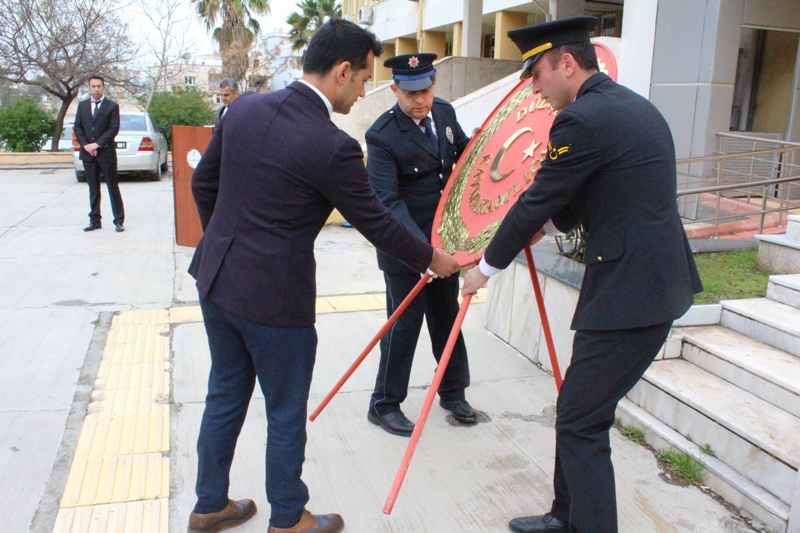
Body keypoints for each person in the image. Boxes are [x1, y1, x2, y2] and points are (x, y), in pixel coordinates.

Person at [187, 19, 461, 533]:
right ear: (341, 71)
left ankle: (209, 504)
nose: (363, 92)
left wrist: (224, 243)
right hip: (275, 301)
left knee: (225, 392)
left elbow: (205, 183)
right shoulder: (330, 146)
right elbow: (377, 222)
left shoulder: (243, 107)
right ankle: (288, 518)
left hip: (216, 282)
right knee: (286, 410)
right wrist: (434, 259)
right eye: (362, 80)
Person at [461, 16, 703, 533]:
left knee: (580, 422)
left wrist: (485, 268)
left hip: (629, 294)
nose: (535, 89)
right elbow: (583, 197)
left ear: (566, 63)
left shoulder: (582, 120)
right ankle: (564, 515)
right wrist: (541, 229)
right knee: (577, 410)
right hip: (645, 284)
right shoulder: (632, 107)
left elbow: (538, 200)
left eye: (538, 75)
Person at [365, 53, 477, 437]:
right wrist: (425, 255)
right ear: (394, 89)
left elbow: (462, 156)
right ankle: (384, 403)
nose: (420, 100)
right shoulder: (382, 135)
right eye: (410, 92)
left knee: (448, 320)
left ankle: (453, 392)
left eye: (426, 89)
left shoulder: (444, 114)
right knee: (404, 325)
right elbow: (387, 202)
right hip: (406, 250)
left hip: (447, 244)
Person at [73, 75, 124, 232]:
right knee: (93, 188)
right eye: (93, 86)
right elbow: (78, 127)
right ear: (89, 87)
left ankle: (118, 220)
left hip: (106, 154)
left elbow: (113, 129)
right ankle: (94, 220)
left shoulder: (112, 106)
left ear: (103, 87)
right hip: (88, 154)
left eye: (99, 86)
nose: (96, 89)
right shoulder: (82, 106)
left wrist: (98, 144)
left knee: (112, 187)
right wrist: (87, 146)